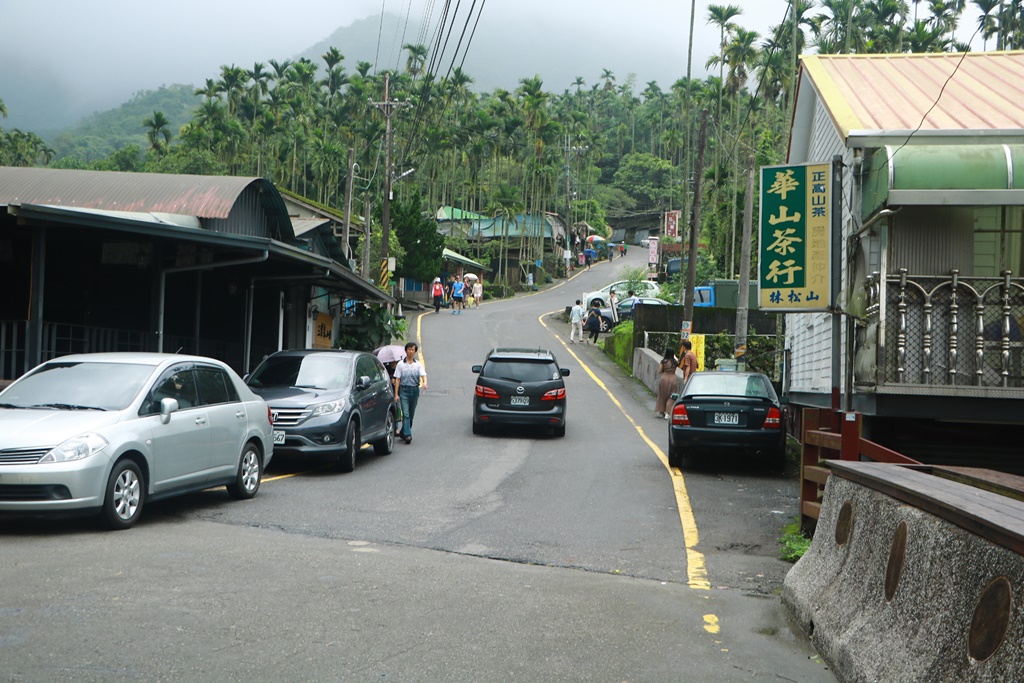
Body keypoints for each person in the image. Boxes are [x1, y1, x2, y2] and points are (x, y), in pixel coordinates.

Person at [393, 342, 426, 444]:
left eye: (412, 350)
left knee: (411, 415)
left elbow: (423, 375)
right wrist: (396, 394)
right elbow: (397, 379)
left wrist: (425, 382)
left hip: (414, 391)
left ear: (415, 351)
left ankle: (403, 431)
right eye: (409, 349)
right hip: (404, 391)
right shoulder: (400, 364)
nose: (410, 351)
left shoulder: (418, 364)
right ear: (406, 351)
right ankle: (408, 435)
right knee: (406, 414)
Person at [655, 348, 679, 418]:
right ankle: (667, 412)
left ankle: (661, 411)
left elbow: (659, 371)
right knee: (672, 396)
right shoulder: (675, 362)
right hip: (673, 379)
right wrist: (674, 357)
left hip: (664, 378)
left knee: (662, 395)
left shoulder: (664, 361)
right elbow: (678, 362)